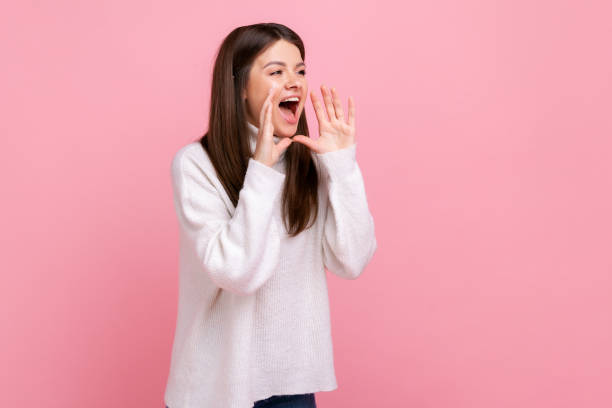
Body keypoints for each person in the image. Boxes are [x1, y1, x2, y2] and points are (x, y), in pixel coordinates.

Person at [163, 22, 377, 408]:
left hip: (292, 387)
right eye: (276, 72)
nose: (294, 82)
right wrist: (260, 172)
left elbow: (351, 260)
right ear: (240, 86)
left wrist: (342, 166)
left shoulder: (308, 162)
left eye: (300, 70)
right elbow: (237, 273)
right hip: (215, 388)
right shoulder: (196, 165)